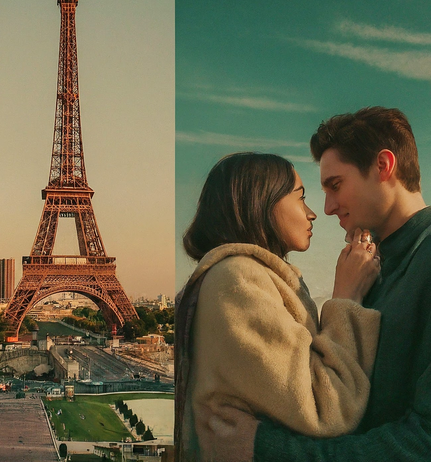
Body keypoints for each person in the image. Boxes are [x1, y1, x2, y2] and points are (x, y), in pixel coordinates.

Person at [213, 106, 431, 461]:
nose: (327, 208)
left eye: (335, 185)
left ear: (383, 166)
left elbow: (424, 443)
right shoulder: (369, 268)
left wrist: (265, 448)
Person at [175, 152, 381, 462]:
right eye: (300, 198)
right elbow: (327, 408)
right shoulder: (238, 279)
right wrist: (347, 298)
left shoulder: (240, 278)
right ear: (261, 203)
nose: (312, 213)